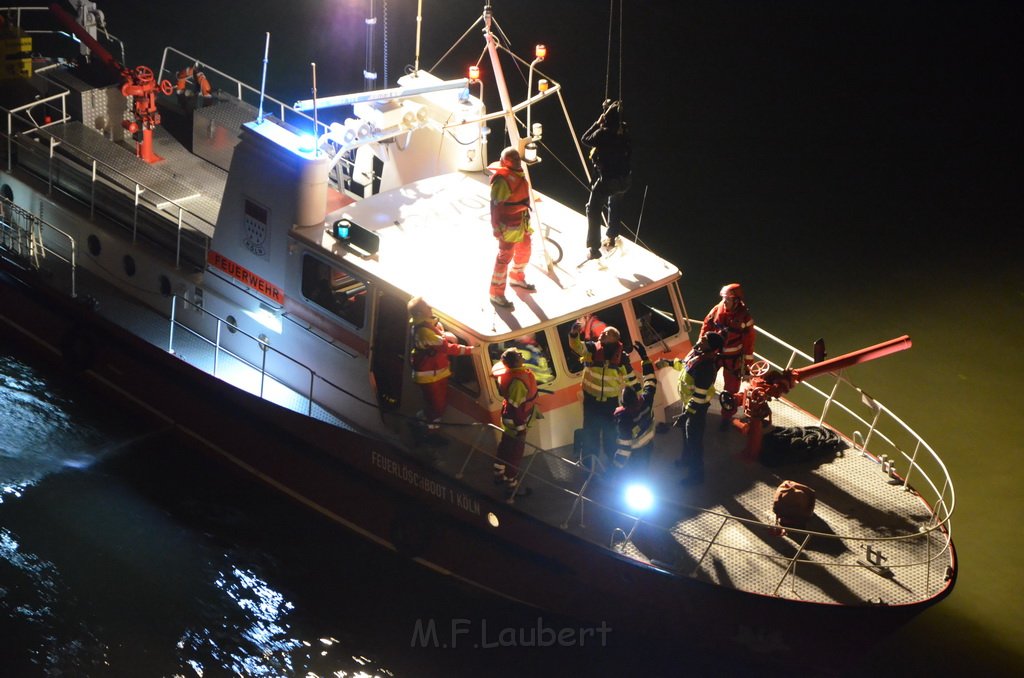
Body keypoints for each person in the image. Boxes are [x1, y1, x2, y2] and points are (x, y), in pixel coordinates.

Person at [658, 331, 724, 485]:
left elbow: (699, 397)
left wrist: (686, 415)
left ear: (712, 348)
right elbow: (684, 365)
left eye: (705, 340)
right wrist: (667, 363)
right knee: (686, 435)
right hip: (688, 404)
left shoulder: (706, 367)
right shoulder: (697, 355)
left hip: (696, 409)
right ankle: (685, 459)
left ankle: (696, 475)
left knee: (694, 441)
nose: (701, 339)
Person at [407, 296, 475, 442]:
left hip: (438, 373)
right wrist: (471, 351)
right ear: (419, 313)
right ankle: (426, 432)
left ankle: (430, 430)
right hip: (429, 376)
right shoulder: (423, 331)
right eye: (426, 306)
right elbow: (445, 347)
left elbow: (441, 339)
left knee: (439, 405)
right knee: (436, 407)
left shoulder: (430, 324)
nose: (430, 307)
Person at [569, 323, 634, 468]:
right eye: (602, 333)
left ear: (614, 338)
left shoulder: (622, 357)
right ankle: (588, 466)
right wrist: (574, 334)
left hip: (610, 404)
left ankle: (613, 464)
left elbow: (631, 378)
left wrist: (639, 399)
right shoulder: (592, 349)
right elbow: (577, 346)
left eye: (605, 333)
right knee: (590, 435)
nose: (601, 334)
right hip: (591, 402)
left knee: (611, 436)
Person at [581, 100, 632, 260]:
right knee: (615, 203)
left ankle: (594, 248)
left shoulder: (603, 133)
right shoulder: (624, 131)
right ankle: (611, 236)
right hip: (624, 180)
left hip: (608, 181)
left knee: (593, 209)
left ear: (606, 120)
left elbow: (585, 139)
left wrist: (598, 123)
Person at [700, 283, 755, 429]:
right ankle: (701, 409)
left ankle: (726, 419)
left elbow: (749, 343)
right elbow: (706, 326)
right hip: (716, 355)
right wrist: (702, 346)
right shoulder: (717, 310)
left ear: (736, 300)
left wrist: (747, 366)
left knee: (730, 392)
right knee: (704, 382)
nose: (725, 301)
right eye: (724, 298)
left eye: (728, 299)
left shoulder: (745, 317)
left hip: (733, 360)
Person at [488, 146, 536, 308]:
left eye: (517, 157)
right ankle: (496, 293)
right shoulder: (501, 180)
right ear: (505, 161)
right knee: (504, 258)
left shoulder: (518, 173)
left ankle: (516, 276)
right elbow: (495, 206)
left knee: (525, 250)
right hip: (507, 226)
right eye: (513, 158)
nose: (517, 160)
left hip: (522, 222)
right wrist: (496, 228)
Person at [492, 348, 539, 496]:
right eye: (518, 355)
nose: (521, 355)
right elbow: (517, 407)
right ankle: (511, 485)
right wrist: (521, 427)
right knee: (515, 453)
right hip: (516, 421)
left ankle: (498, 472)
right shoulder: (518, 381)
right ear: (514, 362)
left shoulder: (511, 375)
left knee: (505, 445)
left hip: (508, 418)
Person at [612, 343, 657, 477]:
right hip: (648, 444)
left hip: (635, 452)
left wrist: (616, 467)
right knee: (644, 471)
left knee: (634, 476)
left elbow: (624, 448)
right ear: (637, 397)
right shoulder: (646, 400)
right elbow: (650, 380)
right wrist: (644, 358)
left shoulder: (623, 419)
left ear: (623, 403)